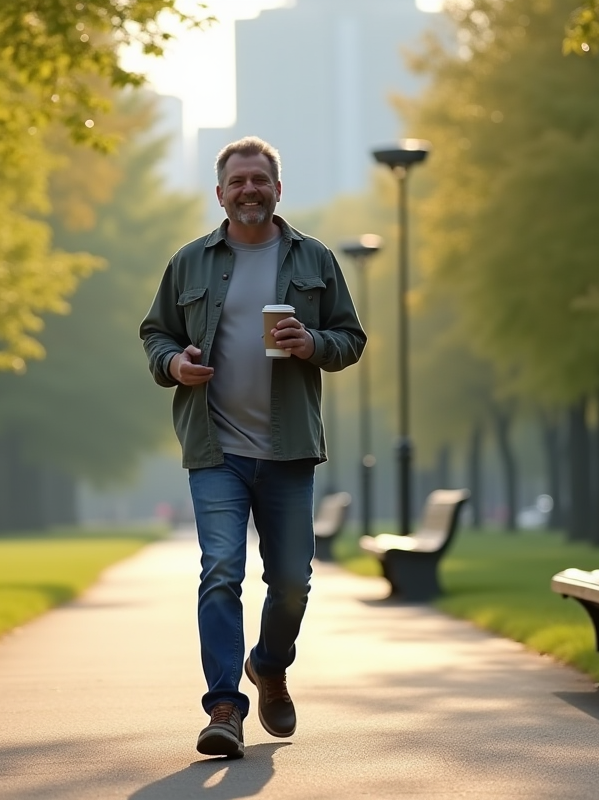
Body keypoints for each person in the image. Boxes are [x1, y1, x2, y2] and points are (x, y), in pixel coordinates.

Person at [139, 136, 366, 759]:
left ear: (277, 189)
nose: (248, 190)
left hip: (289, 449)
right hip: (217, 451)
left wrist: (312, 343)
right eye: (237, 181)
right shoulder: (190, 263)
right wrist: (174, 363)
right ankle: (223, 708)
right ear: (220, 193)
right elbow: (156, 333)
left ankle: (268, 664)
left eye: (258, 180)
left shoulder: (314, 259)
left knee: (292, 582)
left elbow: (351, 338)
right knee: (220, 572)